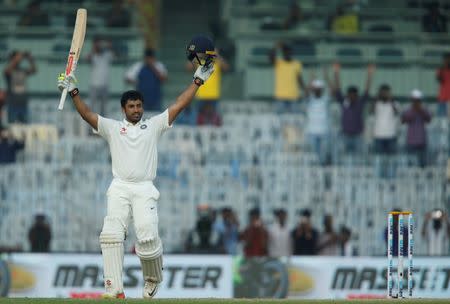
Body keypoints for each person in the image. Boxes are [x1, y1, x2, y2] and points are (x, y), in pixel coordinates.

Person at [57, 35, 215, 299]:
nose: (136, 110)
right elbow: (87, 115)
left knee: (148, 237)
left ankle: (152, 279)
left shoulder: (152, 126)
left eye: (139, 106)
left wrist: (197, 82)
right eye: (131, 106)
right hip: (119, 187)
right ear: (123, 108)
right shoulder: (111, 127)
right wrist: (74, 91)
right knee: (110, 235)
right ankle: (113, 288)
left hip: (144, 188)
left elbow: (178, 104)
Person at [331, 62, 375, 153]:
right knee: (343, 159)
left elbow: (366, 90)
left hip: (357, 136)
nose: (351, 97)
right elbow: (338, 89)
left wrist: (370, 74)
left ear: (356, 95)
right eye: (349, 94)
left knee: (358, 160)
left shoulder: (360, 103)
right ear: (347, 95)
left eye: (353, 95)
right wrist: (336, 73)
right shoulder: (343, 101)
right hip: (344, 135)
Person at [185, 48, 229, 126]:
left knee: (215, 122)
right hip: (200, 95)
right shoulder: (199, 61)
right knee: (198, 121)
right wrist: (197, 54)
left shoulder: (217, 61)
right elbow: (188, 67)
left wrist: (217, 55)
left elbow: (226, 68)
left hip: (214, 96)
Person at [269, 42, 305, 113]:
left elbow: (299, 79)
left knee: (295, 120)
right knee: (278, 120)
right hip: (280, 96)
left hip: (293, 96)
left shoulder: (297, 64)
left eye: (289, 52)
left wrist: (304, 90)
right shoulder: (278, 63)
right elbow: (270, 57)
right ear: (283, 53)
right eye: (285, 52)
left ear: (292, 53)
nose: (287, 53)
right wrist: (275, 47)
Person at [3, 50, 37, 123]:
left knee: (25, 128)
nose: (20, 59)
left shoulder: (22, 70)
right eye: (17, 57)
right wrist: (16, 60)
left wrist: (30, 59)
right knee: (12, 127)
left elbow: (34, 70)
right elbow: (6, 71)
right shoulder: (9, 70)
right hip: (12, 103)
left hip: (23, 103)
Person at [401, 89, 432, 167]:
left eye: (418, 100)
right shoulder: (408, 110)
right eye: (414, 100)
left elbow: (428, 119)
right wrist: (414, 110)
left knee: (423, 164)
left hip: (422, 141)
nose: (416, 102)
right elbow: (404, 120)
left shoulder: (424, 110)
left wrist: (420, 110)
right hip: (411, 141)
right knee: (411, 164)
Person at [304, 79, 330, 165]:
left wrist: (327, 77)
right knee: (313, 156)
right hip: (312, 132)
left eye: (319, 89)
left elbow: (332, 91)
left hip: (324, 132)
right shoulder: (309, 99)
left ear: (322, 89)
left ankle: (322, 172)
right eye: (316, 89)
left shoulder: (326, 99)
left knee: (323, 156)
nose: (317, 91)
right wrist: (310, 84)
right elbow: (306, 93)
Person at [88, 37, 114, 115]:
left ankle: (102, 126)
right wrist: (95, 47)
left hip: (104, 85)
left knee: (103, 108)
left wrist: (109, 46)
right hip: (94, 85)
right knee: (92, 107)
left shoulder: (107, 54)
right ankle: (90, 126)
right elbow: (88, 58)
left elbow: (116, 55)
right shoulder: (93, 55)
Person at [373, 84, 398, 155]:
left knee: (391, 159)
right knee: (378, 158)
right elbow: (371, 111)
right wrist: (376, 98)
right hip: (378, 135)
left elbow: (397, 112)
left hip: (391, 135)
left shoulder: (394, 103)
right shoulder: (376, 103)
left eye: (386, 92)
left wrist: (391, 99)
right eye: (382, 92)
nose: (384, 94)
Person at [436, 52, 450, 117]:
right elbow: (439, 79)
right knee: (441, 119)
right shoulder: (440, 69)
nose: (447, 61)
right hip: (442, 98)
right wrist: (442, 69)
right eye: (445, 59)